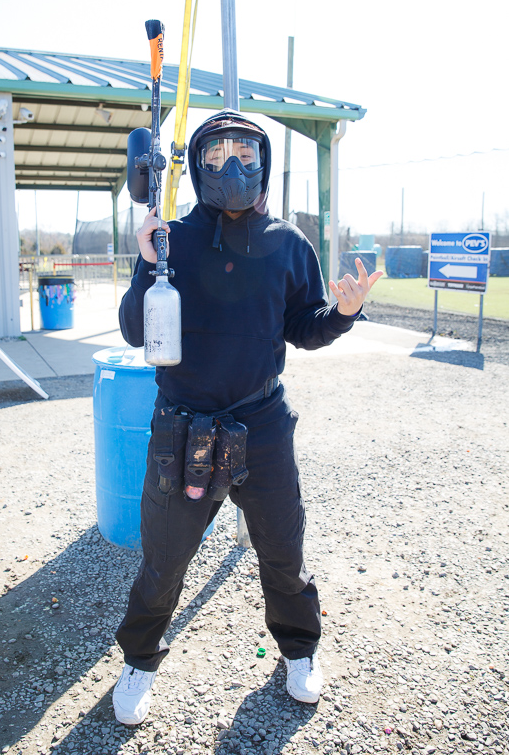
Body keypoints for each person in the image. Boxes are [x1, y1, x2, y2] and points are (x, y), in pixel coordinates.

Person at [113, 110, 382, 725]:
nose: (229, 166)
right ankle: (139, 660)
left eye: (243, 152)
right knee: (164, 558)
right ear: (196, 163)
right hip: (182, 427)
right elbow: (134, 330)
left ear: (263, 161)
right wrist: (145, 259)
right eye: (215, 154)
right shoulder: (171, 239)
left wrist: (342, 314)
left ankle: (299, 651)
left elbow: (304, 328)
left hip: (260, 425)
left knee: (283, 549)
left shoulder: (289, 244)